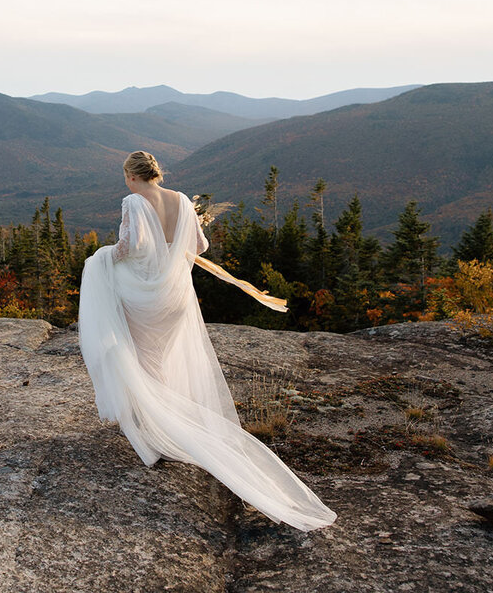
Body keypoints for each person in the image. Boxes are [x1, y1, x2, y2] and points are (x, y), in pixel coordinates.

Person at [78, 151, 336, 531]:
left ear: (132, 176)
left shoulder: (133, 201)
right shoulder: (182, 200)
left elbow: (129, 248)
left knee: (138, 356)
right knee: (160, 357)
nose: (125, 183)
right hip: (176, 298)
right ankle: (161, 419)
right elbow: (199, 247)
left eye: (125, 177)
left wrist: (100, 257)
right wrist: (170, 255)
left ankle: (154, 426)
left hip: (142, 296)